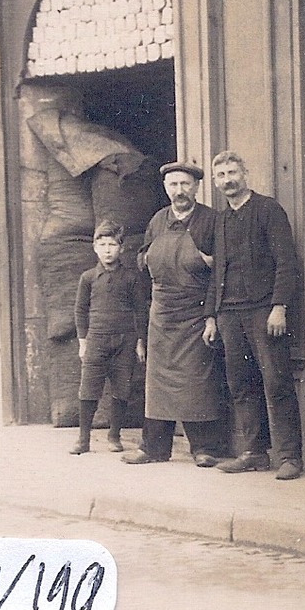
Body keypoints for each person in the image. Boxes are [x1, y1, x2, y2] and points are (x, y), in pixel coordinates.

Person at [124, 162, 232, 468]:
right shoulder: (158, 220)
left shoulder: (211, 220)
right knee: (157, 384)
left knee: (199, 382)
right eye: (173, 185)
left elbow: (219, 275)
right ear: (166, 188)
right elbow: (142, 259)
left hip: (196, 313)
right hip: (161, 315)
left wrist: (211, 316)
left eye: (185, 184)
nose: (179, 191)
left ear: (196, 187)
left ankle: (204, 448)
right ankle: (154, 448)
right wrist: (146, 258)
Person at [205, 150, 305, 481]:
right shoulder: (219, 220)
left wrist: (279, 306)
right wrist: (211, 316)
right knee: (240, 384)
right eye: (220, 175)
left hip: (264, 311)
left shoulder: (268, 210)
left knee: (276, 381)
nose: (227, 180)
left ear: (245, 173)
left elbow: (286, 261)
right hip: (229, 314)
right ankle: (254, 452)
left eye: (232, 172)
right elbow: (217, 269)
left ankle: (290, 456)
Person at [70, 220, 147, 455]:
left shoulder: (131, 277)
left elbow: (140, 310)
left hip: (125, 341)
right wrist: (83, 341)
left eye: (112, 244)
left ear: (121, 248)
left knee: (121, 389)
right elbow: (80, 310)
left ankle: (114, 436)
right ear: (94, 247)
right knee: (89, 389)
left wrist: (140, 341)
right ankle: (83, 439)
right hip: (96, 340)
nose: (107, 249)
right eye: (102, 244)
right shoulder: (89, 278)